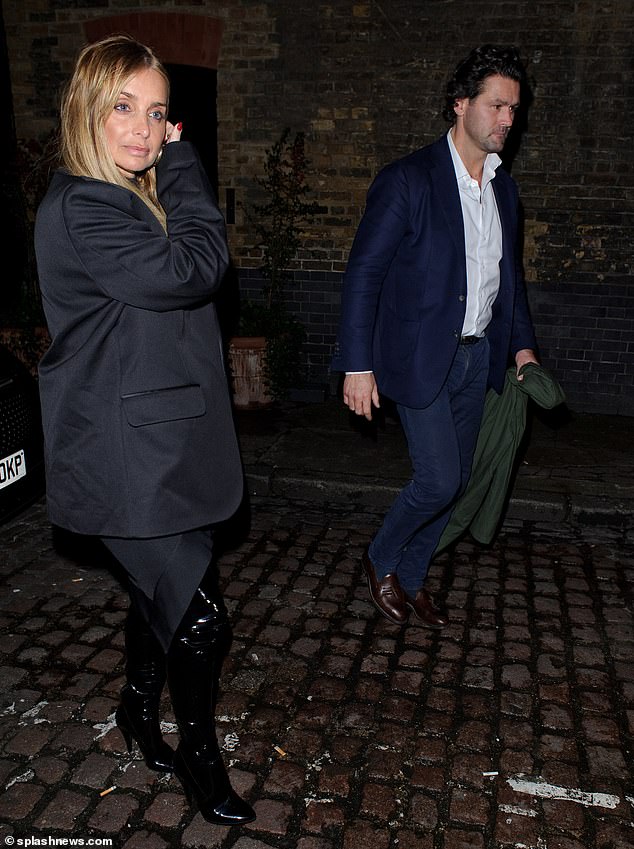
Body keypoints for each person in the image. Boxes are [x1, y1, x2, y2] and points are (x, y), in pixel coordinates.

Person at [35, 35, 255, 826]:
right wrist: (188, 166)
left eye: (157, 112)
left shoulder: (130, 197)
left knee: (160, 592)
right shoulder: (84, 203)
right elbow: (192, 270)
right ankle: (200, 757)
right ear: (86, 108)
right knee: (199, 618)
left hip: (163, 441)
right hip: (125, 454)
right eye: (123, 107)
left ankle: (136, 709)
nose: (141, 128)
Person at [332, 44, 539, 629]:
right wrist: (356, 364)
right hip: (420, 357)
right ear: (460, 104)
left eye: (514, 109)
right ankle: (380, 558)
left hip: (479, 358)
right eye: (497, 106)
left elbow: (510, 278)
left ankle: (414, 577)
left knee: (461, 479)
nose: (507, 119)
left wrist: (522, 348)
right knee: (439, 477)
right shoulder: (408, 180)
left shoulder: (504, 189)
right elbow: (364, 273)